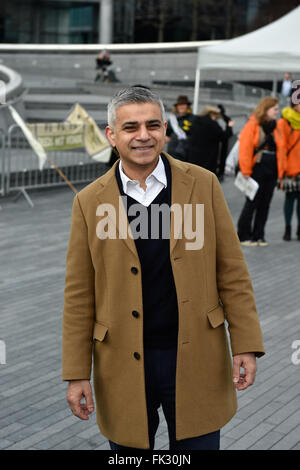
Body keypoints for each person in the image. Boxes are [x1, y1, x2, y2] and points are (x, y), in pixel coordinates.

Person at [62, 86, 265, 451]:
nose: (144, 135)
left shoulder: (203, 185)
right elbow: (79, 293)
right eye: (130, 127)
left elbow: (232, 272)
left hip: (195, 356)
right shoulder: (88, 201)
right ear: (111, 134)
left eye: (153, 125)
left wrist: (246, 344)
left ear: (165, 130)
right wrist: (77, 373)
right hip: (121, 362)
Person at [237, 97, 280, 247]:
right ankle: (243, 234)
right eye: (275, 109)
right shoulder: (253, 125)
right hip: (257, 167)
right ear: (266, 109)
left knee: (265, 203)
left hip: (271, 168)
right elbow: (245, 148)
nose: (277, 112)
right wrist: (246, 170)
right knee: (252, 202)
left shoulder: (276, 127)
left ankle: (259, 234)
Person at [277, 91, 300, 241]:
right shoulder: (284, 122)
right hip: (290, 169)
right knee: (290, 199)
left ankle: (299, 229)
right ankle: (287, 228)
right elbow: (282, 148)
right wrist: (282, 172)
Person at [187, 105, 234, 174]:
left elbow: (189, 132)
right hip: (207, 160)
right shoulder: (212, 124)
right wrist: (229, 126)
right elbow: (224, 136)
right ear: (212, 114)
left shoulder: (196, 120)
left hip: (193, 158)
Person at [165, 95, 196, 161]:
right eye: (180, 105)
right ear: (177, 107)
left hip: (187, 152)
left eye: (184, 104)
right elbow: (167, 135)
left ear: (187, 106)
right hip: (173, 152)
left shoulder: (193, 118)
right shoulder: (172, 119)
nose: (181, 106)